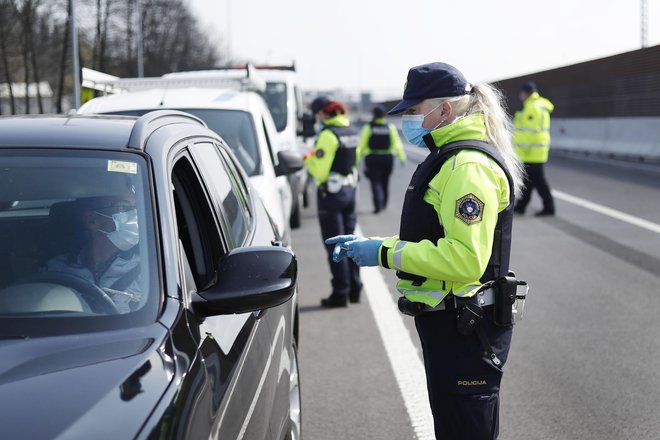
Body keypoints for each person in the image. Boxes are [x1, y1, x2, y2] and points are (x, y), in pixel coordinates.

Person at [326, 62, 526, 439]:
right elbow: (435, 232)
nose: (409, 121)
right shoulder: (450, 158)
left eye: (415, 112)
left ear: (445, 110)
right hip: (452, 325)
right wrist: (375, 246)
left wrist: (384, 252)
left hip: (464, 329)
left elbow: (465, 260)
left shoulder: (467, 166)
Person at [47, 178, 141, 314]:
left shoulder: (148, 272)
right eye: (123, 207)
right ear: (92, 220)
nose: (135, 215)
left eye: (136, 207)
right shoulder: (57, 269)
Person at [305, 96, 363, 307]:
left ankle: (340, 293)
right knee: (350, 242)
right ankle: (355, 288)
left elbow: (319, 172)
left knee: (335, 246)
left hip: (331, 196)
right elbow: (355, 160)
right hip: (349, 191)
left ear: (322, 113)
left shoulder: (328, 135)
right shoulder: (351, 131)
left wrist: (307, 158)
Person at [512, 81, 555, 216]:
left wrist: (520, 150)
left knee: (538, 181)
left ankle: (549, 207)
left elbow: (530, 132)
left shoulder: (533, 108)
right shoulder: (537, 106)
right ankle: (521, 206)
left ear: (526, 93)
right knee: (528, 180)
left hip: (532, 151)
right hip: (534, 151)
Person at [357, 104, 407, 213]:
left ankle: (378, 205)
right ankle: (384, 203)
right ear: (384, 114)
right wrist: (402, 157)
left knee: (375, 182)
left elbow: (361, 145)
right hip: (387, 158)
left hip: (372, 158)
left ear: (373, 115)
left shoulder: (368, 127)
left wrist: (356, 160)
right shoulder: (390, 127)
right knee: (385, 182)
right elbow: (397, 143)